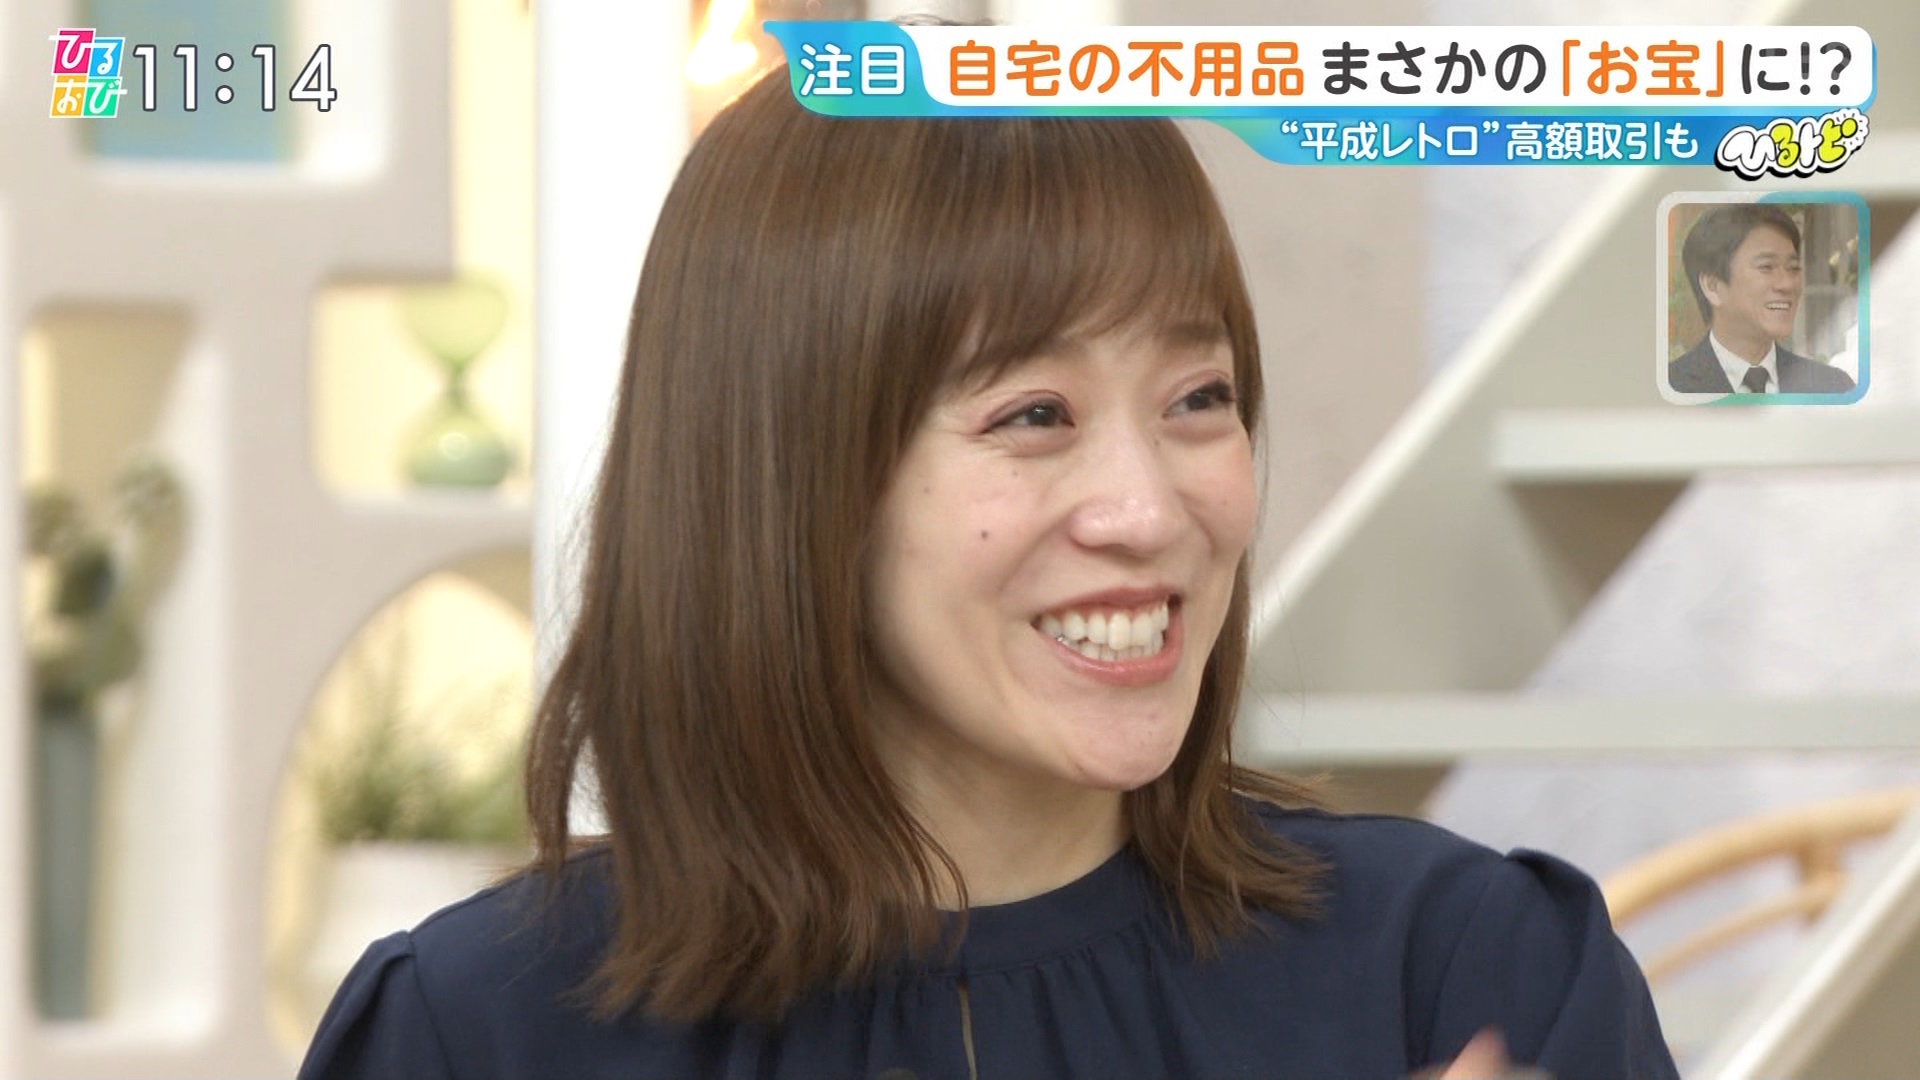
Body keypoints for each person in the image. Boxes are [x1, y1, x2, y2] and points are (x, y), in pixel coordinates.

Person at [298, 65, 1677, 1080]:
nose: (1150, 509)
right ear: (788, 478)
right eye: (1036, 416)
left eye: (1199, 398)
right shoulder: (473, 1032)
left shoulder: (1465, 971)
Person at [1668, 203, 1855, 395]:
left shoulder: (1834, 387)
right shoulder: (1668, 389)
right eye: (1766, 267)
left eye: (1793, 268)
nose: (1787, 285)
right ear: (1712, 286)